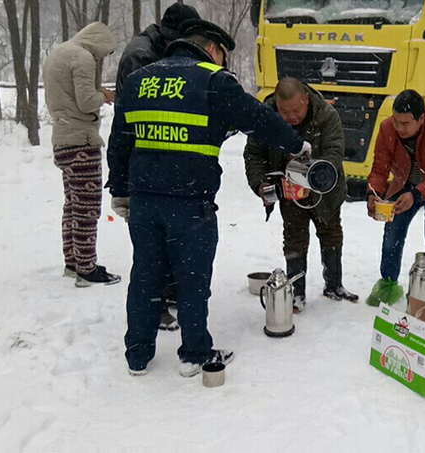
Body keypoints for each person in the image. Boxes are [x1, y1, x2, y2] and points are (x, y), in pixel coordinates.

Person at [106, 19, 311, 377]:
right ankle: (194, 353)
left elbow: (120, 140)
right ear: (213, 49)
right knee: (192, 279)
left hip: (144, 201)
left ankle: (137, 354)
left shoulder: (140, 79)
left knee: (145, 275)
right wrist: (297, 144)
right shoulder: (213, 80)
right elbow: (259, 119)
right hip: (189, 201)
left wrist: (120, 189)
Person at [113, 2, 201, 331]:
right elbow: (132, 121)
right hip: (145, 159)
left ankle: (171, 290)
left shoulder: (160, 48)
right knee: (152, 247)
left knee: (171, 235)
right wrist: (121, 182)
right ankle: (156, 305)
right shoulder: (141, 57)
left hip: (164, 158)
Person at [244, 78, 358, 313]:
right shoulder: (265, 117)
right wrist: (260, 184)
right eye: (285, 112)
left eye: (296, 110)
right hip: (289, 190)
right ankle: (296, 293)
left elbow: (335, 151)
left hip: (325, 189)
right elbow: (253, 154)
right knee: (294, 238)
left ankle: (334, 285)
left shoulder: (326, 115)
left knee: (331, 234)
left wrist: (314, 173)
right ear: (277, 104)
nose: (291, 117)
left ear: (306, 99)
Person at [42, 22, 119, 288]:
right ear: (99, 42)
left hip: (62, 139)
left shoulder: (58, 53)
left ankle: (73, 263)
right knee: (87, 207)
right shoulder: (82, 57)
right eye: (103, 53)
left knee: (73, 205)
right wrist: (105, 95)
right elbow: (86, 102)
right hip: (81, 141)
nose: (100, 58)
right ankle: (87, 269)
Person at [365, 90, 425, 306]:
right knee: (392, 233)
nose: (399, 128)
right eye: (396, 121)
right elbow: (380, 167)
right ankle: (388, 283)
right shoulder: (387, 128)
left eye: (405, 123)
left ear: (421, 119)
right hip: (404, 183)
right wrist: (373, 193)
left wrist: (416, 194)